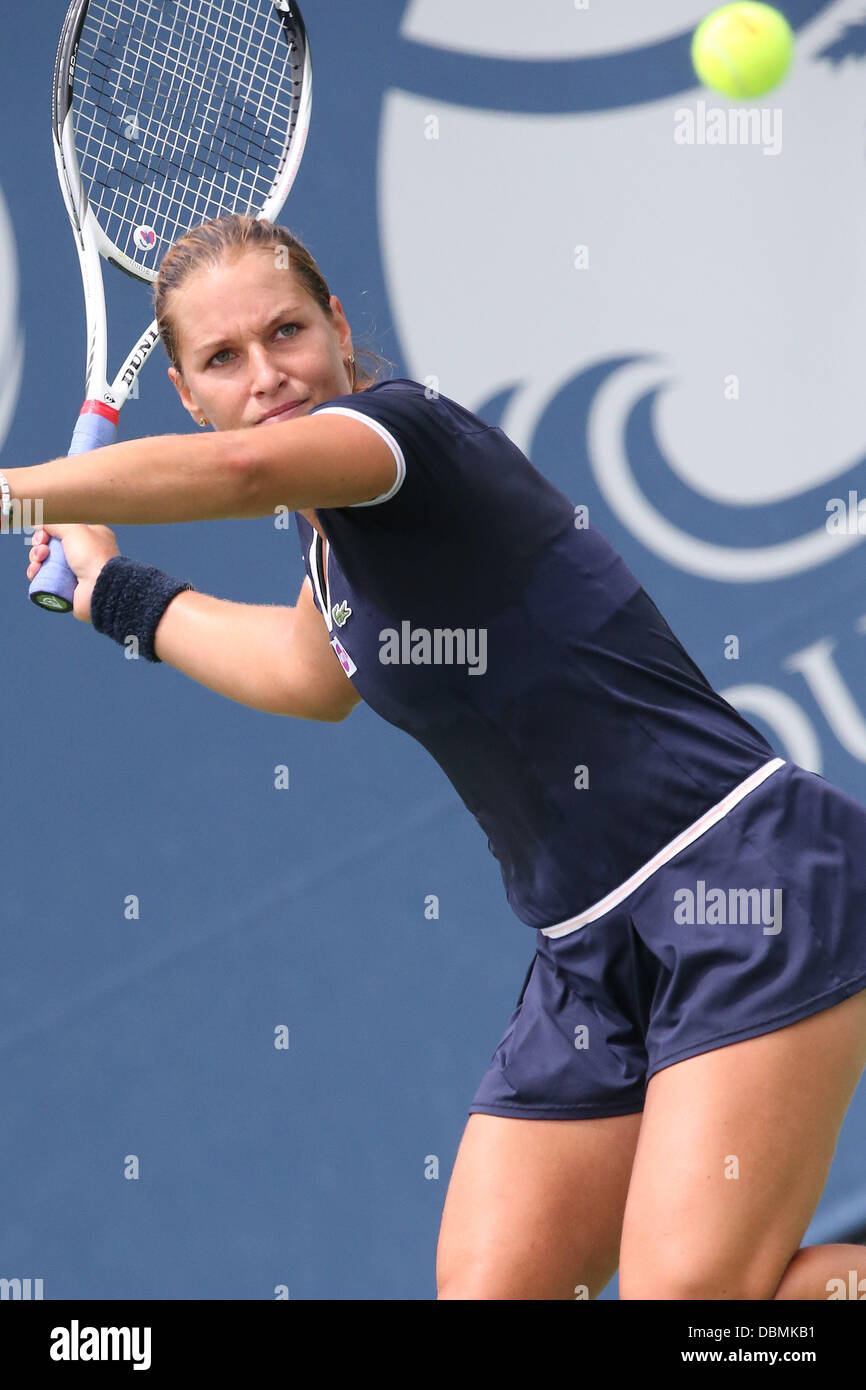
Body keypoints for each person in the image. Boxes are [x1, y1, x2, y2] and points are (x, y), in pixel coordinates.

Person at [9, 213, 866, 1302]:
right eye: (223, 359)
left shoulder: (397, 436)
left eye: (286, 332)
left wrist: (17, 492)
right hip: (587, 950)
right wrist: (110, 595)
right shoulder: (337, 553)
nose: (267, 374)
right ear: (184, 388)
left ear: (338, 327)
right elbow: (307, 674)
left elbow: (239, 468)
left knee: (692, 1304)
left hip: (739, 886)